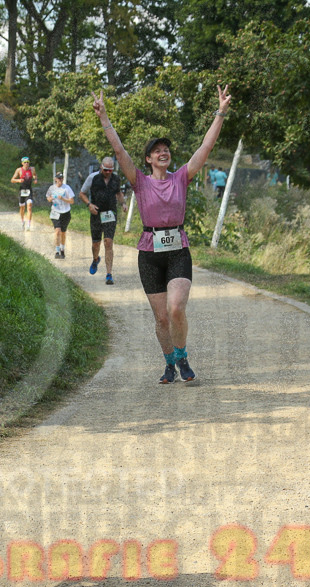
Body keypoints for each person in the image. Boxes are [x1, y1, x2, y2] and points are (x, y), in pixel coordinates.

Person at [93, 85, 232, 383]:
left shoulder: (181, 177)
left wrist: (220, 112)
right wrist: (104, 117)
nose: (163, 152)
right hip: (149, 253)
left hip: (178, 249)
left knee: (176, 308)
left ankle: (182, 357)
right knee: (161, 318)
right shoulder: (139, 182)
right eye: (157, 150)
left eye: (166, 149)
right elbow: (119, 151)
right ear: (148, 159)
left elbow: (205, 148)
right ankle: (169, 364)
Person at [78, 157, 126, 285]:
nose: (108, 172)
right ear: (101, 167)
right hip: (96, 214)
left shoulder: (116, 179)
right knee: (96, 243)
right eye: (106, 170)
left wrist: (123, 203)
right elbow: (82, 194)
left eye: (110, 170)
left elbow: (118, 193)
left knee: (108, 242)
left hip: (110, 214)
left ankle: (109, 274)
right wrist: (89, 204)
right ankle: (95, 259)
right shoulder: (92, 178)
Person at [45, 171, 75, 259]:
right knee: (57, 231)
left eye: (61, 178)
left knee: (63, 232)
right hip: (55, 212)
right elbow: (48, 197)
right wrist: (50, 199)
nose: (60, 180)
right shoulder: (52, 188)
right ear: (55, 179)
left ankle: (62, 249)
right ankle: (57, 251)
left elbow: (72, 201)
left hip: (65, 213)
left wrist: (63, 198)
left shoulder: (67, 188)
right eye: (59, 178)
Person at [11, 156, 37, 230]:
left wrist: (35, 179)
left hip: (29, 190)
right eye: (25, 162)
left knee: (29, 206)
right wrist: (18, 180)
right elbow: (12, 180)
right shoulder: (19, 170)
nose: (26, 164)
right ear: (22, 163)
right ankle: (22, 221)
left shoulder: (32, 169)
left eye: (27, 162)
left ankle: (28, 224)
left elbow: (35, 175)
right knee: (22, 207)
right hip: (22, 190)